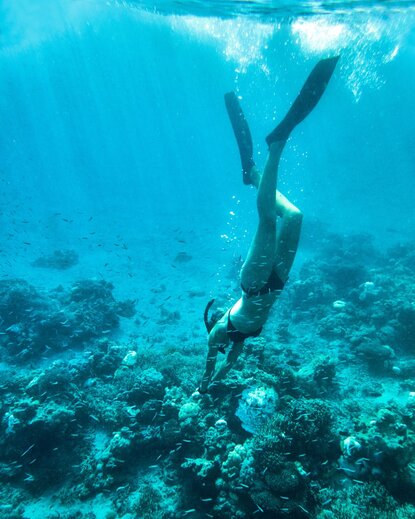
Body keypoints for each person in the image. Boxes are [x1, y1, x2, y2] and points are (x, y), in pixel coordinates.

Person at [198, 57, 340, 394]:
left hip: (254, 283)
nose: (218, 345)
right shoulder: (235, 340)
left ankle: (275, 146)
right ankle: (255, 175)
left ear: (215, 322)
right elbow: (230, 362)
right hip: (275, 283)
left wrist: (203, 386)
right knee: (294, 217)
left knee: (267, 221)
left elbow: (211, 362)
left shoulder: (216, 333)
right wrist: (219, 380)